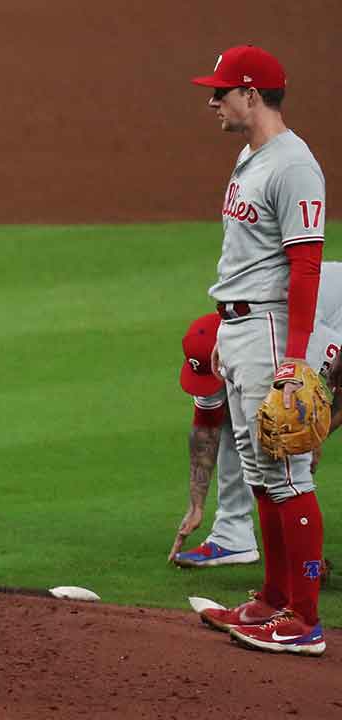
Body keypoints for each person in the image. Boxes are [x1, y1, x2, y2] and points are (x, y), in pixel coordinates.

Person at [189, 45, 328, 657]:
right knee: (261, 475)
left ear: (253, 94)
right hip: (240, 328)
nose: (213, 100)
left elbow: (306, 266)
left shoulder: (294, 165)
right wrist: (222, 330)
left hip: (273, 330)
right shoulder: (250, 156)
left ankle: (305, 619)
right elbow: (242, 258)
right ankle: (272, 600)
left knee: (288, 474)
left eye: (222, 91)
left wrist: (296, 359)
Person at [169, 313, 259, 568]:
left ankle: (300, 548)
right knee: (233, 418)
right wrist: (196, 506)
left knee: (286, 436)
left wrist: (316, 436)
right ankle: (233, 535)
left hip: (326, 326)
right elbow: (206, 430)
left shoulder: (271, 349)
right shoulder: (214, 354)